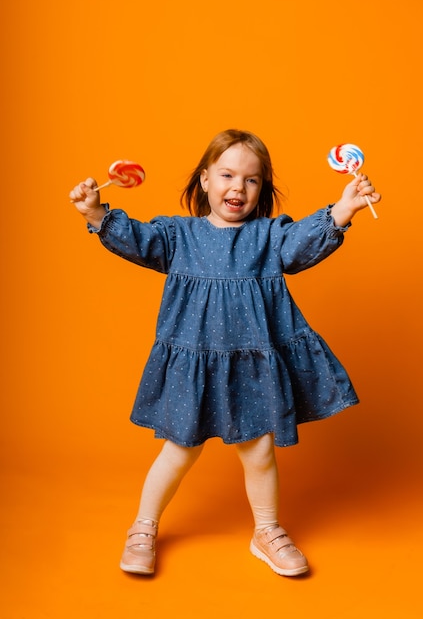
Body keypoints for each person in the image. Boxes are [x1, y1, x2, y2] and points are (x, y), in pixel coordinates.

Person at [69, 129, 381, 578]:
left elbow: (298, 248)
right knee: (178, 451)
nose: (238, 187)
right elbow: (140, 241)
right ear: (204, 180)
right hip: (195, 363)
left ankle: (267, 531)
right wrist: (98, 213)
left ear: (262, 189)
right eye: (227, 175)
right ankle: (143, 526)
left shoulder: (270, 236)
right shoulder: (178, 235)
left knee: (259, 452)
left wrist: (343, 209)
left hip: (251, 364)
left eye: (252, 180)